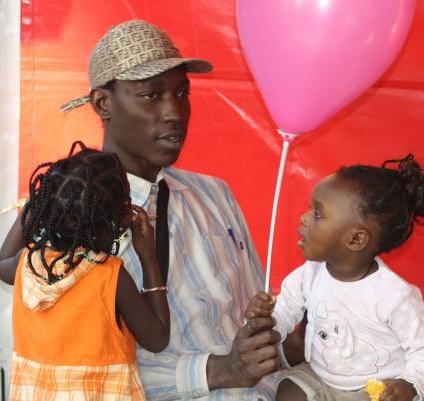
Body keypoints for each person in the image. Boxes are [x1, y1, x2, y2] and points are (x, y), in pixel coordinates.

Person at [61, 19, 285, 400]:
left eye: (182, 93)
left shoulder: (215, 194)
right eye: (151, 95)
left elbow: (258, 315)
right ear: (103, 103)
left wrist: (289, 343)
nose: (174, 113)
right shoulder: (75, 216)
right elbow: (84, 371)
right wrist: (221, 370)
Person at [246, 154, 424, 401]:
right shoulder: (310, 273)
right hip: (323, 380)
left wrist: (408, 383)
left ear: (356, 239)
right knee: (289, 389)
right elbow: (286, 309)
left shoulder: (394, 295)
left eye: (318, 214)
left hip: (376, 390)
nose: (304, 218)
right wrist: (267, 321)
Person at [0, 141, 170, 400]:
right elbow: (157, 338)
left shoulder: (27, 265)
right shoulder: (110, 276)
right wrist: (148, 257)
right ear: (112, 219)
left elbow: (1, 264)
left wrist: (37, 203)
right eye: (126, 201)